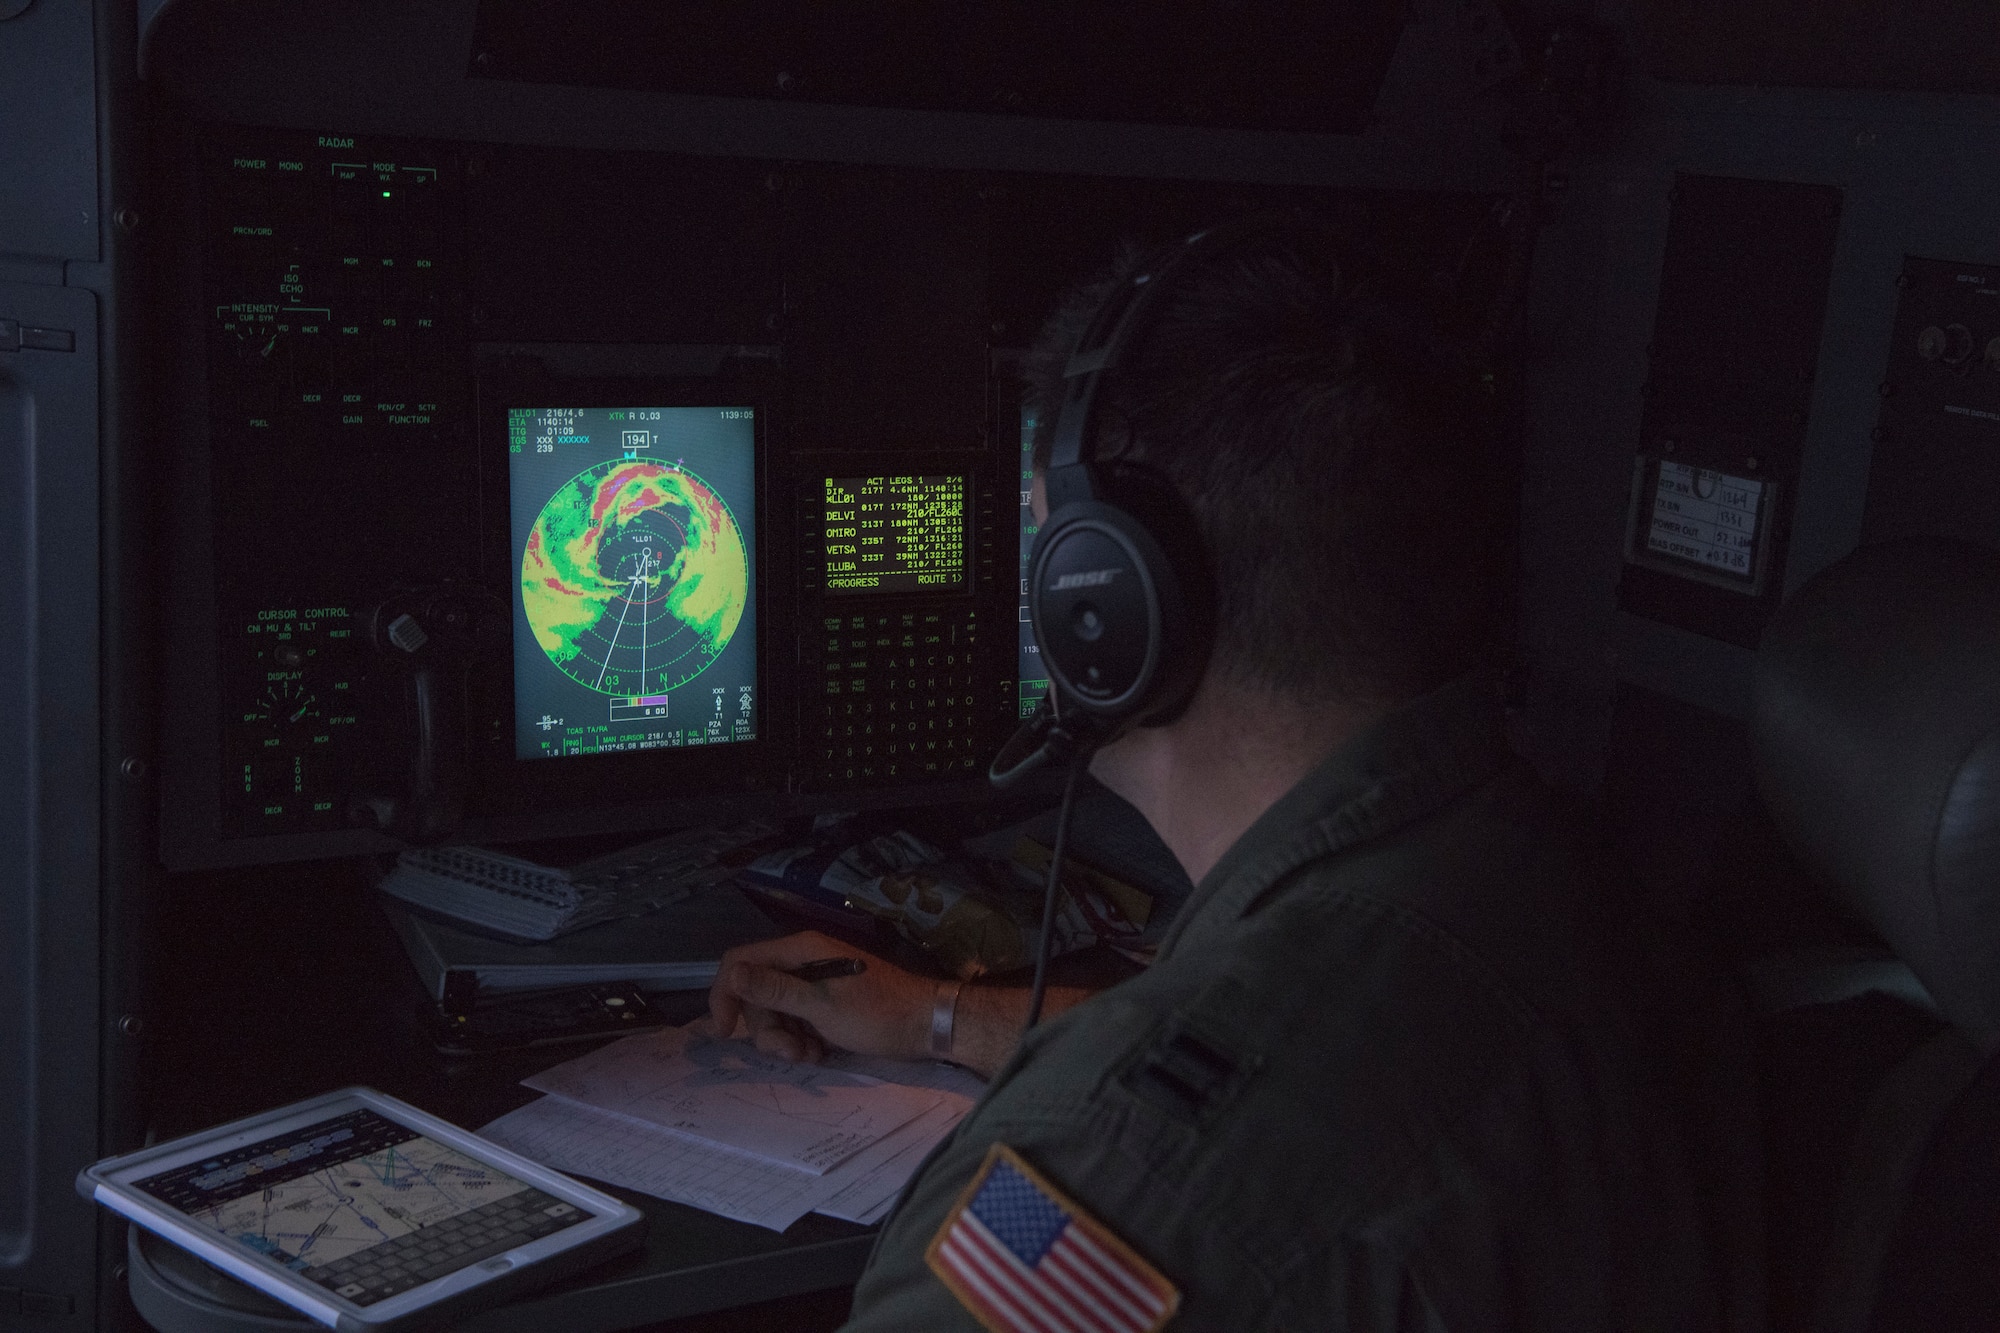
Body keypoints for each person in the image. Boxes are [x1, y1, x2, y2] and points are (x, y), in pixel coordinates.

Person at [708, 227, 1747, 1330]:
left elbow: (1199, 1136)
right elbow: (1310, 1065)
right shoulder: (1553, 871)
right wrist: (938, 1017)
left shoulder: (1108, 1178)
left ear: (1102, 606)